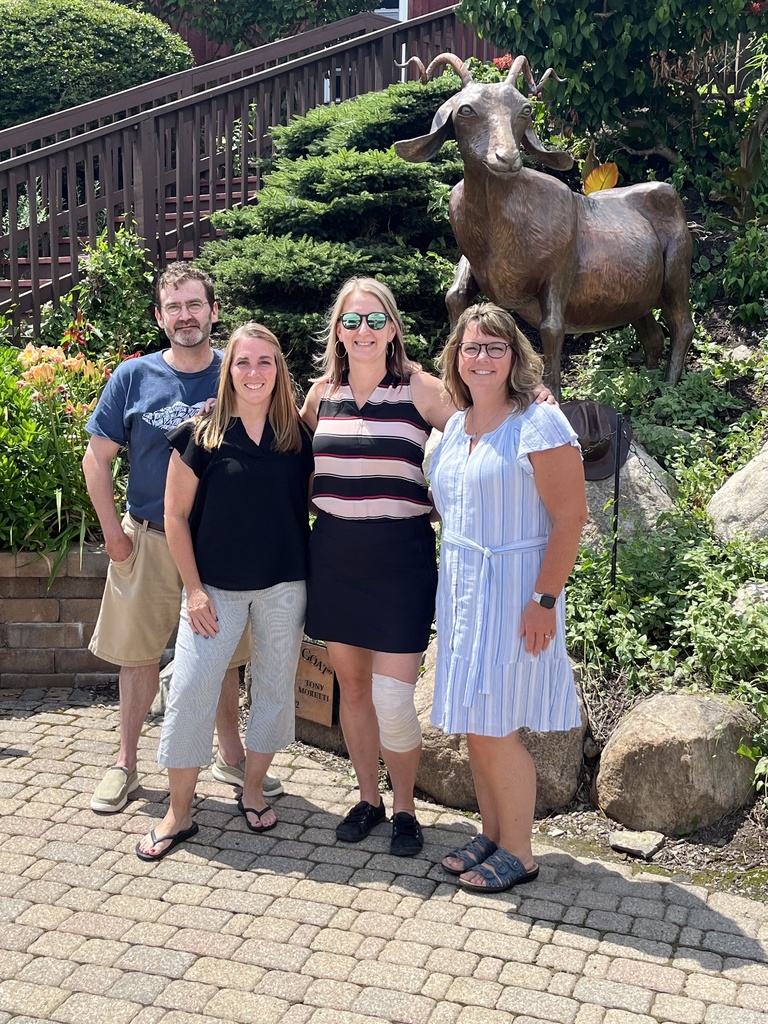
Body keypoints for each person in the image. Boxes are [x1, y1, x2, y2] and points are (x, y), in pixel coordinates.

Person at [301, 277, 551, 857]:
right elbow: (284, 449)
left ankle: (407, 808)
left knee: (392, 698)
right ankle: (368, 799)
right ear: (339, 330)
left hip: (401, 561)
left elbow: (482, 418)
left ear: (392, 327)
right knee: (354, 691)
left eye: (375, 320)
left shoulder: (419, 389)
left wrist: (531, 400)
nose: (363, 331)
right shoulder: (320, 396)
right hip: (334, 556)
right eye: (352, 321)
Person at [83, 263, 283, 813]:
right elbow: (96, 461)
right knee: (139, 656)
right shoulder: (132, 376)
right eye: (174, 307)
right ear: (159, 316)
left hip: (216, 544)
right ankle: (125, 764)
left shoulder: (238, 372)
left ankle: (231, 755)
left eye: (194, 304)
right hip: (147, 536)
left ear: (213, 311)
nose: (185, 316)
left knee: (221, 655)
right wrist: (114, 538)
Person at [136, 323, 313, 860]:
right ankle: (179, 812)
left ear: (279, 369)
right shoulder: (201, 433)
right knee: (190, 690)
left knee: (276, 693)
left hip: (285, 585)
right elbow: (174, 514)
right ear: (228, 369)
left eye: (265, 362)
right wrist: (193, 589)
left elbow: (309, 501)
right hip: (215, 590)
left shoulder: (296, 435)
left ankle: (253, 788)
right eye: (243, 362)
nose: (254, 372)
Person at [429, 302, 588, 893]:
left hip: (518, 592)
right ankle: (492, 831)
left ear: (516, 358)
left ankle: (519, 852)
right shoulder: (454, 428)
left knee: (498, 727)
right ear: (457, 359)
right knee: (475, 722)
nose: (482, 357)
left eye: (496, 347)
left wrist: (544, 601)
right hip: (465, 592)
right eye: (471, 347)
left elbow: (571, 518)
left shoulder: (538, 424)